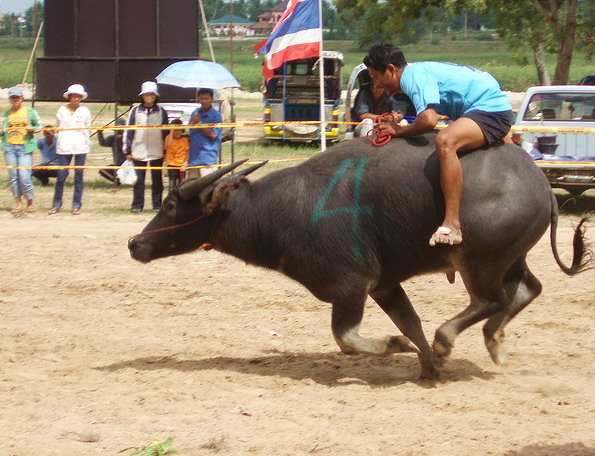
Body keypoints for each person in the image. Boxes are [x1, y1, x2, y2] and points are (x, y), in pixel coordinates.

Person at [363, 43, 513, 246]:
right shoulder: (418, 72)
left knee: (445, 141)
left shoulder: (411, 76)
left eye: (375, 77)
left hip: (488, 108)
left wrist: (399, 130)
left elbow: (428, 119)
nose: (377, 84)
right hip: (484, 105)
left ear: (390, 69)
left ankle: (452, 223)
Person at [123, 81, 168, 213]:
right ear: (141, 96)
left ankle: (157, 206)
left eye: (151, 94)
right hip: (138, 151)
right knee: (139, 181)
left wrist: (166, 150)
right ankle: (137, 206)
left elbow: (165, 132)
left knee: (157, 181)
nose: (149, 96)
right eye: (146, 94)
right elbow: (129, 131)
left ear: (156, 96)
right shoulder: (135, 111)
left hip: (157, 150)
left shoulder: (161, 111)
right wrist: (127, 150)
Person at [48, 84, 92, 215]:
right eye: (74, 96)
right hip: (64, 147)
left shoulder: (85, 111)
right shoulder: (61, 110)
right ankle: (56, 204)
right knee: (61, 177)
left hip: (80, 147)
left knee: (78, 177)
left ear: (81, 97)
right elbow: (57, 126)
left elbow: (88, 127)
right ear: (70, 97)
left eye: (78, 96)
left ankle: (76, 205)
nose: (76, 98)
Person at [1, 86, 41, 213]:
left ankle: (30, 203)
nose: (15, 99)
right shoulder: (7, 114)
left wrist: (32, 128)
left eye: (17, 97)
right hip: (9, 147)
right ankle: (18, 204)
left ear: (22, 98)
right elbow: (3, 131)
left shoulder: (30, 111)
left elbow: (39, 126)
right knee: (13, 177)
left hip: (25, 147)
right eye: (12, 97)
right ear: (10, 99)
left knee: (25, 176)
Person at [187, 88, 222, 179]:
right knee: (191, 187)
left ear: (212, 99)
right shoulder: (195, 112)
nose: (203, 101)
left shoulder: (216, 115)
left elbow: (213, 134)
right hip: (194, 158)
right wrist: (192, 123)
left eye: (206, 98)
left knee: (208, 188)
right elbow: (189, 129)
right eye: (201, 98)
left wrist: (199, 123)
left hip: (208, 159)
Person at [98, 118, 126, 183]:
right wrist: (100, 133)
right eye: (117, 129)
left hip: (129, 165)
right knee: (103, 171)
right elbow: (103, 143)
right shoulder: (112, 138)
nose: (119, 130)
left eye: (121, 129)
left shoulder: (128, 138)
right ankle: (117, 181)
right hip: (118, 165)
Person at [164, 119, 189, 189]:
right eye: (175, 130)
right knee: (172, 186)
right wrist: (171, 131)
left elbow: (187, 153)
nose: (177, 132)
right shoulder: (168, 138)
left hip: (181, 166)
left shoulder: (185, 140)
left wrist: (185, 163)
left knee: (182, 186)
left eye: (179, 130)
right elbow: (168, 145)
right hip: (172, 165)